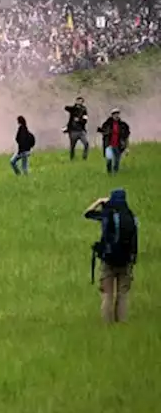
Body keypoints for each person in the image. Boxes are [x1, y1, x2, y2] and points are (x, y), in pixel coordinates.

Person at [85, 189, 139, 323]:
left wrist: (98, 202)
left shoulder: (107, 215)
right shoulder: (131, 217)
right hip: (126, 261)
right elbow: (135, 241)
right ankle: (121, 323)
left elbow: (87, 214)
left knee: (107, 295)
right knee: (123, 296)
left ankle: (106, 324)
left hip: (108, 260)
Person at [98, 109, 130, 175]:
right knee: (109, 159)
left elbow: (126, 136)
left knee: (117, 161)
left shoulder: (123, 125)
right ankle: (109, 172)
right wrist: (105, 132)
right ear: (112, 115)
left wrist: (126, 147)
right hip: (109, 145)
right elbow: (102, 132)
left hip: (119, 145)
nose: (116, 115)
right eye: (115, 114)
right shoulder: (107, 124)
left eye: (117, 114)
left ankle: (115, 173)